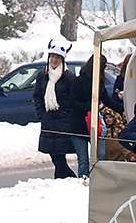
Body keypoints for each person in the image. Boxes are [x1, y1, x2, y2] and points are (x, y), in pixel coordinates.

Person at [68, 54, 119, 177]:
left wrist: (121, 109)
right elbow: (72, 102)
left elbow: (106, 98)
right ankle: (84, 180)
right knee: (83, 159)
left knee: (100, 156)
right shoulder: (79, 81)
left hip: (95, 123)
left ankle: (98, 180)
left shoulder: (99, 82)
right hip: (79, 124)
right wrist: (91, 106)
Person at [33, 39, 76, 178]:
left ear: (62, 59)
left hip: (62, 121)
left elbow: (73, 99)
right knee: (54, 155)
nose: (54, 60)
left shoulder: (68, 77)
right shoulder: (42, 75)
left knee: (59, 156)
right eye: (52, 57)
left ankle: (61, 179)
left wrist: (66, 114)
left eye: (57, 57)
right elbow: (37, 96)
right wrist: (41, 114)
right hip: (48, 120)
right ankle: (68, 178)